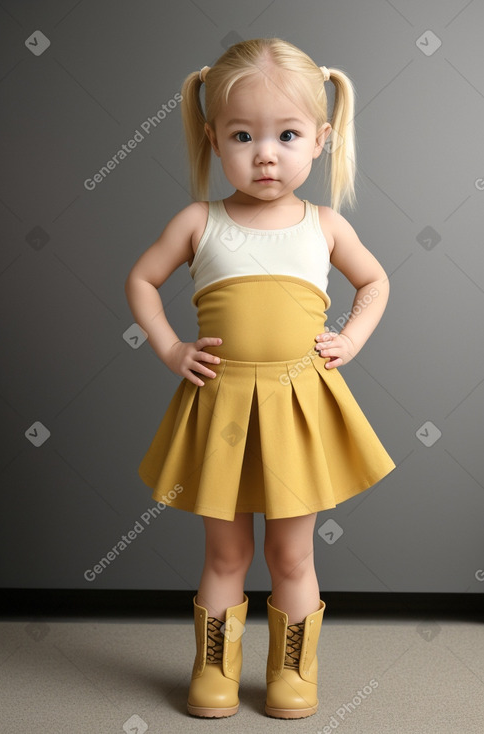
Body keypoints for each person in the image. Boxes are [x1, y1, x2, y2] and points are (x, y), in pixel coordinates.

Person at [125, 37, 396, 720]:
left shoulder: (324, 225)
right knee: (224, 553)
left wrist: (351, 337)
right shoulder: (199, 222)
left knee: (291, 553)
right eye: (243, 135)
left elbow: (374, 281)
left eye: (286, 135)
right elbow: (141, 280)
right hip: (219, 405)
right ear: (214, 139)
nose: (265, 153)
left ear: (321, 138)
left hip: (296, 405)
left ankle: (291, 672)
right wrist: (168, 349)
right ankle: (214, 668)